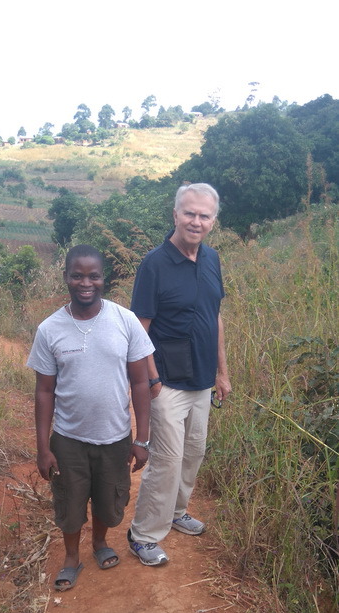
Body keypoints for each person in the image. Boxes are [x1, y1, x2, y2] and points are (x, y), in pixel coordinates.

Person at [27, 244, 154, 590]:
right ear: (66, 278)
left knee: (107, 498)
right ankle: (71, 557)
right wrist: (43, 448)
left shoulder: (124, 321)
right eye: (77, 275)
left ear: (104, 278)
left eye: (93, 275)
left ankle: (99, 543)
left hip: (114, 437)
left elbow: (141, 382)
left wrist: (141, 439)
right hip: (68, 440)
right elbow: (43, 392)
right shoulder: (49, 329)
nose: (86, 283)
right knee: (69, 501)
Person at [127, 183, 232, 566]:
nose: (196, 221)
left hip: (203, 379)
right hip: (166, 381)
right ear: (175, 215)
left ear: (213, 221)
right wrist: (150, 380)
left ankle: (177, 510)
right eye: (189, 213)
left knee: (194, 452)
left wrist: (222, 373)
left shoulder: (212, 259)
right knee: (167, 460)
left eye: (204, 215)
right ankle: (144, 535)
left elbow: (214, 316)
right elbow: (139, 329)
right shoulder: (154, 264)